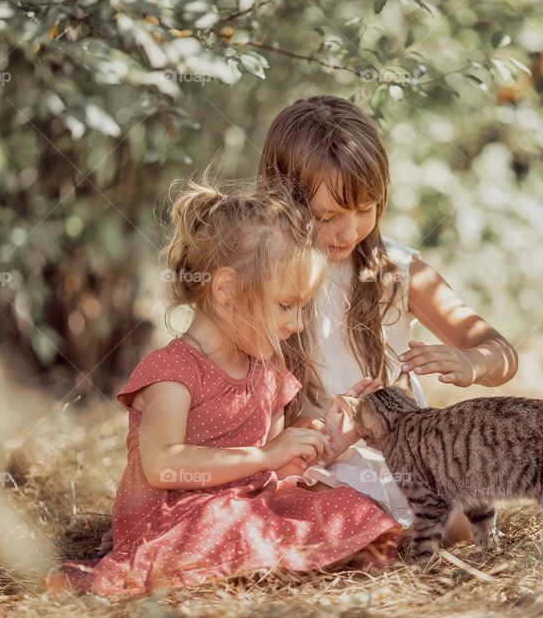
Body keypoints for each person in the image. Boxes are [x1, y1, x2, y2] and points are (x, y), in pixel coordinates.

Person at [49, 181, 402, 596]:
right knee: (233, 524)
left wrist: (323, 441)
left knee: (343, 503)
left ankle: (269, 560)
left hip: (243, 506)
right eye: (286, 305)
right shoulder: (173, 370)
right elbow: (163, 466)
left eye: (302, 307)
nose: (297, 323)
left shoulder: (267, 368)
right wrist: (265, 454)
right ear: (226, 289)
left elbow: (272, 470)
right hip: (176, 517)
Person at [258, 95, 520, 543]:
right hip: (299, 457)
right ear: (282, 199)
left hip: (388, 457)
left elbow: (503, 354)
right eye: (328, 216)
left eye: (365, 209)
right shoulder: (261, 274)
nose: (349, 230)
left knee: (452, 525)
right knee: (296, 513)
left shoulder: (397, 272)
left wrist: (473, 363)